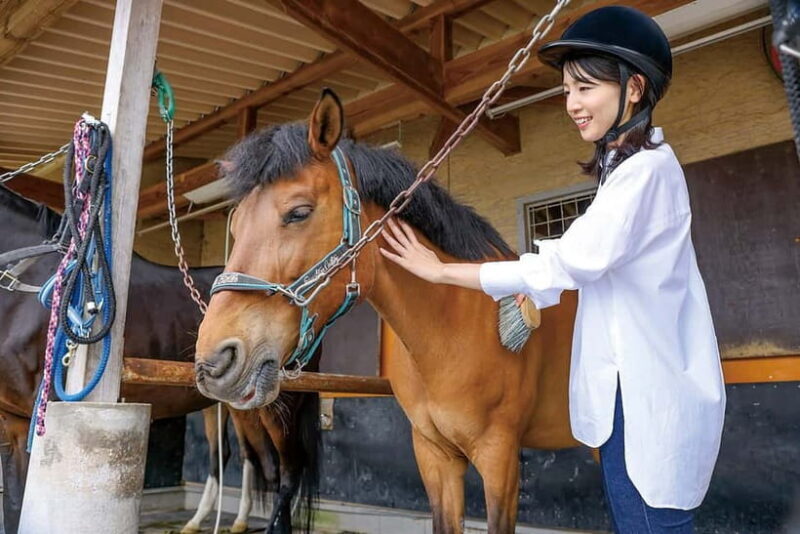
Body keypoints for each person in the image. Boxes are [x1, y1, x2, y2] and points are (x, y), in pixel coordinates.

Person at [379, 6, 725, 534]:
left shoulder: (646, 173)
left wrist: (441, 271)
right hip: (624, 398)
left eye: (585, 89)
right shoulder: (624, 175)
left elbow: (566, 262)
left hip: (644, 399)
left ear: (634, 88)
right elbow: (589, 266)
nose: (572, 105)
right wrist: (532, 298)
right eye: (567, 91)